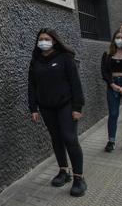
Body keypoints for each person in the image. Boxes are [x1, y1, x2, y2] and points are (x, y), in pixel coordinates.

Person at [28, 28, 87, 197]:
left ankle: (79, 178)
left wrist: (77, 107)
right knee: (56, 137)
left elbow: (75, 83)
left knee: (69, 138)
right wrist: (33, 108)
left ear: (54, 41)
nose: (43, 41)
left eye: (47, 38)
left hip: (66, 105)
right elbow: (31, 85)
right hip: (46, 106)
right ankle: (64, 171)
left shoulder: (65, 58)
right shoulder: (36, 60)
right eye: (40, 39)